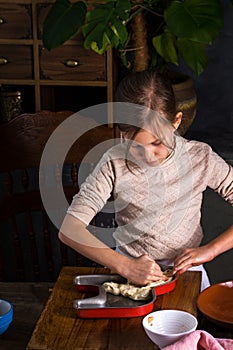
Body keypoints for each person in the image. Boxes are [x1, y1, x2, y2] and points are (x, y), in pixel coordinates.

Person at [59, 70, 233, 291]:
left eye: (157, 143)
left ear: (176, 122)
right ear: (122, 132)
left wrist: (211, 249)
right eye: (136, 147)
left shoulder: (200, 158)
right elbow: (69, 229)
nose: (148, 156)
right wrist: (126, 266)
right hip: (130, 271)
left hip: (187, 273)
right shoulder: (113, 162)